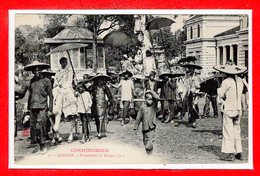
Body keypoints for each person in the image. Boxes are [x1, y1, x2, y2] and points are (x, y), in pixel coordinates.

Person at [215, 64, 247, 161]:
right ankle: (239, 152)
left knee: (228, 131)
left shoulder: (226, 82)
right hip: (238, 108)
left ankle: (230, 153)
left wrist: (219, 90)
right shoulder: (240, 81)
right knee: (237, 130)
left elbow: (220, 94)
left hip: (229, 108)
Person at [25, 61, 53, 154]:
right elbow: (30, 95)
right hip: (33, 107)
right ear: (32, 71)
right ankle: (40, 145)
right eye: (35, 70)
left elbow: (50, 96)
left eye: (39, 70)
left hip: (42, 107)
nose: (37, 72)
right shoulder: (32, 81)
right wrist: (28, 109)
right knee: (34, 128)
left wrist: (50, 109)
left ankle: (43, 146)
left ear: (41, 70)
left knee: (39, 126)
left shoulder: (46, 81)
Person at [52, 57, 77, 144]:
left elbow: (69, 81)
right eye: (62, 62)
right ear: (60, 63)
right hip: (58, 89)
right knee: (53, 99)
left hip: (66, 89)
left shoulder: (69, 71)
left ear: (66, 63)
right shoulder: (58, 71)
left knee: (71, 102)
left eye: (65, 62)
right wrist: (57, 85)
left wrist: (63, 86)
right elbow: (55, 81)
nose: (63, 63)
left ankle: (71, 132)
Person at [134, 90, 160, 155]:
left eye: (151, 100)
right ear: (145, 99)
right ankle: (148, 154)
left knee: (149, 142)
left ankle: (149, 154)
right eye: (149, 99)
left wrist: (150, 91)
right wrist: (136, 127)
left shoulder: (153, 106)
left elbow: (157, 98)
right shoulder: (142, 107)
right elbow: (138, 118)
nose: (150, 101)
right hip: (144, 127)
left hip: (151, 127)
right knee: (145, 143)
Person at [89, 74, 113, 139]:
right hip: (95, 103)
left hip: (102, 103)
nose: (99, 81)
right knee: (96, 118)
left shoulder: (105, 87)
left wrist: (110, 102)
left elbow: (109, 95)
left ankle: (100, 132)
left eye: (101, 80)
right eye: (98, 80)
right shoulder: (93, 87)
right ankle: (98, 131)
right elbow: (87, 91)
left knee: (101, 117)